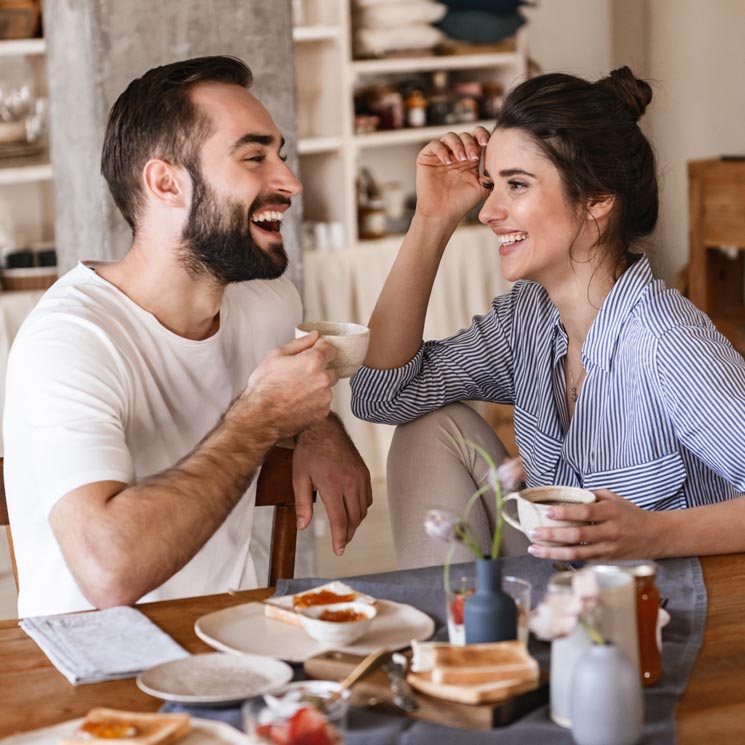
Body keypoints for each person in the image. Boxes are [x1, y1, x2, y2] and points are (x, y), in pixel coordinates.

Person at [3, 56, 372, 618]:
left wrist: (320, 429)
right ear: (166, 183)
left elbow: (289, 399)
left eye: (281, 155)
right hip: (94, 673)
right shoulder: (70, 340)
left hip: (230, 643)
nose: (290, 182)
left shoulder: (271, 303)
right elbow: (108, 570)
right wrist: (262, 418)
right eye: (254, 158)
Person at [351, 66, 745, 569]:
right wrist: (431, 220)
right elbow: (382, 396)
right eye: (491, 184)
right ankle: (464, 647)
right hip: (562, 593)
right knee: (429, 427)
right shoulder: (527, 320)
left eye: (516, 185)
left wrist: (654, 534)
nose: (489, 210)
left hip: (661, 616)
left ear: (597, 200)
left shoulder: (668, 343)